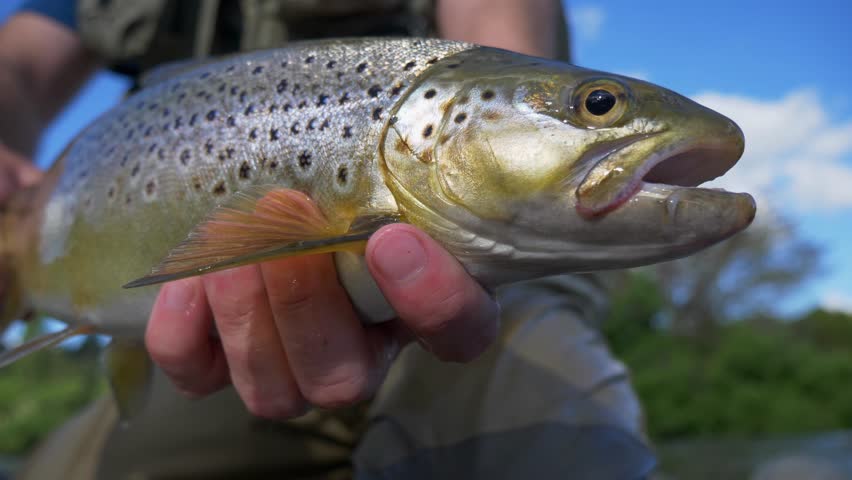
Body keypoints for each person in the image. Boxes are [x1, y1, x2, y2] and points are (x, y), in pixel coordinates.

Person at [2, 1, 654, 478]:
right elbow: (20, 70)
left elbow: (494, 26)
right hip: (209, 331)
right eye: (597, 107)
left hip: (508, 275)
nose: (598, 113)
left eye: (598, 107)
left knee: (572, 453)